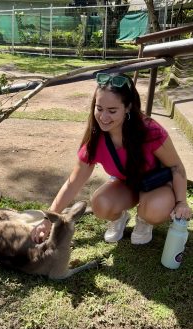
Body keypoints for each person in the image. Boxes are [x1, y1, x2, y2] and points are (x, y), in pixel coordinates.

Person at [32, 73, 192, 244]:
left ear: (128, 107)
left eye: (112, 111)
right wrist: (48, 219)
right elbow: (73, 183)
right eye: (99, 109)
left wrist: (182, 202)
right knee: (100, 204)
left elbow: (176, 167)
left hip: (156, 184)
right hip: (126, 184)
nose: (104, 117)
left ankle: (144, 220)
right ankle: (119, 218)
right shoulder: (95, 139)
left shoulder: (150, 131)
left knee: (154, 210)